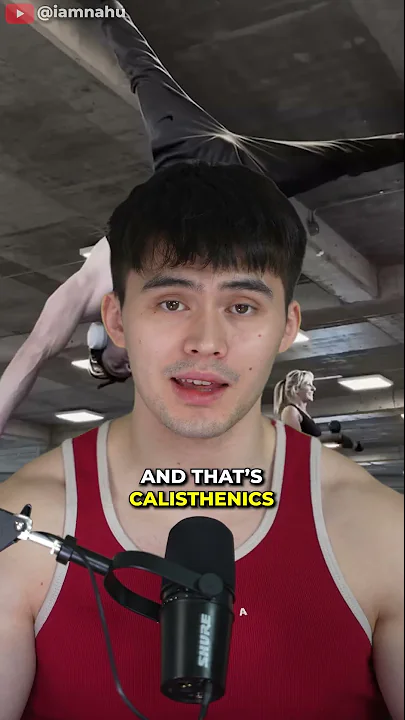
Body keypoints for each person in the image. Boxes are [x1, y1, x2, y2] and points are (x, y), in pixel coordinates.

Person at [0, 162, 403, 720]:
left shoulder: (383, 534)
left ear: (287, 327)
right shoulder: (23, 527)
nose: (206, 342)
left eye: (242, 306)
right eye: (172, 302)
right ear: (117, 320)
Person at [0, 1, 403, 436]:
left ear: (106, 332)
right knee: (346, 156)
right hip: (250, 178)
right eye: (130, 368)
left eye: (118, 362)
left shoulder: (92, 284)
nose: (130, 361)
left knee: (142, 66)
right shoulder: (173, 318)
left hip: (184, 147)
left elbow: (33, 354)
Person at [273, 369, 321, 437]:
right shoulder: (290, 411)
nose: (313, 388)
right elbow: (296, 440)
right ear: (296, 389)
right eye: (308, 385)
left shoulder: (303, 413)